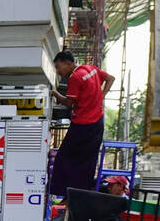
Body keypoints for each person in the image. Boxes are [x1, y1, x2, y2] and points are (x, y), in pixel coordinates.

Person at [47, 50, 115, 203]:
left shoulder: (75, 78)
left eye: (58, 67)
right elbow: (111, 79)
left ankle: (64, 194)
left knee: (63, 158)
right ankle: (78, 197)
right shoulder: (91, 69)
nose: (58, 71)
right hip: (97, 122)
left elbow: (69, 103)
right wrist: (101, 96)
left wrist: (56, 94)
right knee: (87, 162)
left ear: (68, 63)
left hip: (83, 125)